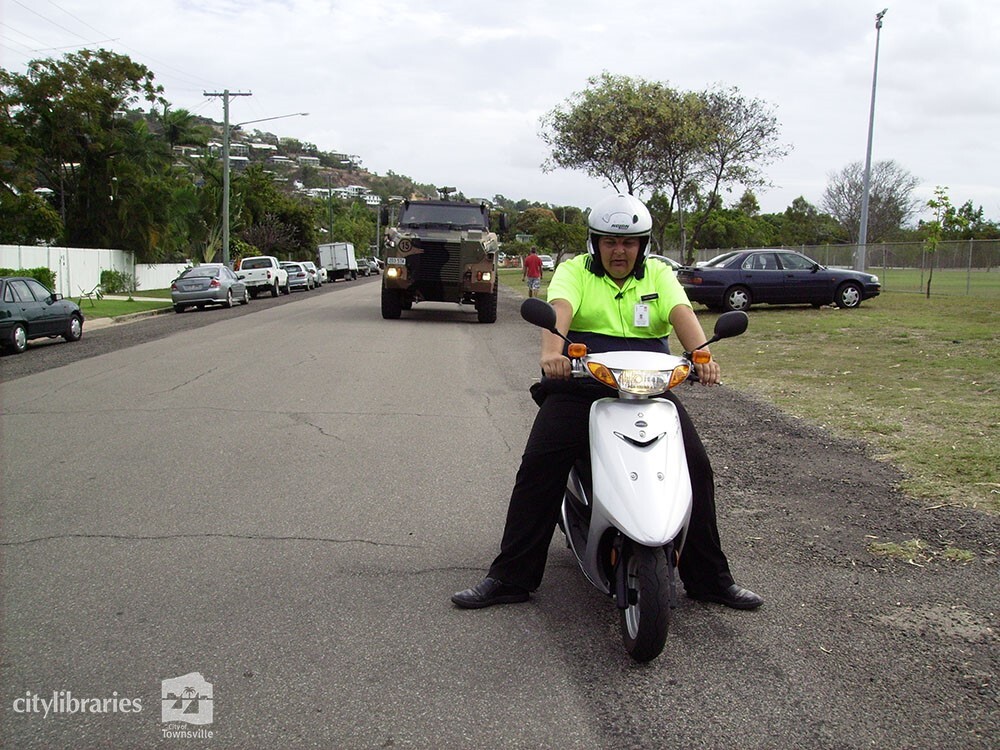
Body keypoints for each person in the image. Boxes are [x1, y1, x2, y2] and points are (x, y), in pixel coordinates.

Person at [452, 193, 762, 611]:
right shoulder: (574, 271)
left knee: (696, 469)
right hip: (583, 383)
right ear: (594, 243)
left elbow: (682, 315)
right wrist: (552, 355)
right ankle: (511, 577)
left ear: (644, 245)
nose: (620, 251)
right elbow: (558, 310)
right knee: (540, 465)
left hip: (648, 388)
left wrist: (703, 355)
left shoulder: (657, 274)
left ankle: (709, 579)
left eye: (630, 243)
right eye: (610, 242)